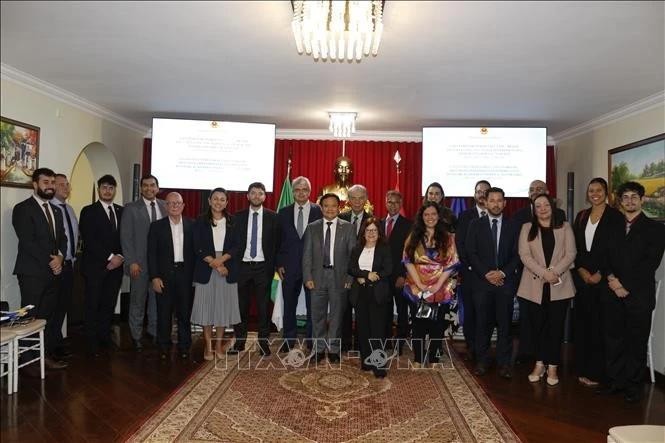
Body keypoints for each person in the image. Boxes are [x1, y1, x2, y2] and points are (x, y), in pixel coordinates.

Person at [597, 181, 665, 403]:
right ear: (620, 201)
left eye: (634, 196)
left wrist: (624, 285)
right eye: (625, 197)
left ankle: (633, 386)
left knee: (636, 342)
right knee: (613, 339)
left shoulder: (656, 229)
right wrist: (612, 280)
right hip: (612, 292)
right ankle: (615, 381)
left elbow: (650, 263)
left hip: (639, 295)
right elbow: (604, 257)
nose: (629, 201)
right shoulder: (611, 226)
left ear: (642, 200)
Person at [517, 193, 576, 386]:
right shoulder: (527, 228)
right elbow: (524, 255)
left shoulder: (565, 227)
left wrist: (555, 272)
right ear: (534, 209)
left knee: (555, 328)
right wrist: (544, 273)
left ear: (552, 207)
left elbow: (571, 253)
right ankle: (539, 363)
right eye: (538, 206)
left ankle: (553, 366)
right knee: (538, 328)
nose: (542, 209)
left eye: (545, 205)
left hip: (559, 285)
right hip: (534, 286)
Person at [12, 167, 68, 371]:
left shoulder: (56, 210)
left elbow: (63, 239)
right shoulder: (22, 209)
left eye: (52, 182)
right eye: (46, 182)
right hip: (32, 273)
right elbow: (28, 241)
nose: (50, 186)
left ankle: (42, 357)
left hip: (53, 273)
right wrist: (51, 261)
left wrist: (61, 257)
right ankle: (27, 361)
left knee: (47, 318)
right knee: (29, 318)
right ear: (35, 184)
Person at [572, 178, 623, 387]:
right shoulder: (581, 216)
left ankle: (600, 373)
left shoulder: (616, 217)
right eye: (591, 190)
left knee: (603, 328)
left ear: (606, 192)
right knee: (584, 326)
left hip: (605, 281)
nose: (595, 193)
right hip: (583, 279)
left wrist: (600, 273)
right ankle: (584, 369)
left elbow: (616, 249)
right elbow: (575, 246)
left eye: (599, 190)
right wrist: (582, 270)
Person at [466, 187, 521, 378]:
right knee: (482, 324)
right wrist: (487, 274)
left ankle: (504, 364)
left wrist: (502, 274)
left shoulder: (513, 225)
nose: (496, 204)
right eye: (492, 200)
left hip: (505, 284)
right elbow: (470, 252)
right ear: (485, 202)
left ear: (504, 203)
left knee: (505, 325)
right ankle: (482, 361)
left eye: (499, 200)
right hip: (482, 283)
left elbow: (517, 255)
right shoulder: (475, 224)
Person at [402, 201, 459, 368]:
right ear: (421, 217)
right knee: (418, 323)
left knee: (437, 324)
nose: (430, 218)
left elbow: (452, 263)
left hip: (440, 286)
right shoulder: (414, 236)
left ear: (439, 216)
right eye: (426, 214)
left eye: (433, 214)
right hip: (416, 286)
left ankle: (434, 358)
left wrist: (437, 285)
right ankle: (419, 358)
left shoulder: (447, 237)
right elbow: (407, 261)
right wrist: (419, 283)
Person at [302, 193, 357, 363]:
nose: (330, 209)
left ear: (339, 207)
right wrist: (308, 276)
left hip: (339, 277)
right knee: (317, 315)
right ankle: (318, 349)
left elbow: (352, 256)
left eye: (334, 205)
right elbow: (307, 255)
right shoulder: (312, 227)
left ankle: (333, 349)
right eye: (326, 206)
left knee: (336, 315)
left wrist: (349, 278)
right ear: (321, 207)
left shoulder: (348, 227)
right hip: (317, 277)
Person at [191, 188, 241, 360]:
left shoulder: (233, 221)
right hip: (207, 267)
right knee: (207, 310)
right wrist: (214, 263)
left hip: (227, 268)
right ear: (209, 201)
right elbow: (197, 246)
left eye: (222, 199)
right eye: (215, 199)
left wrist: (222, 261)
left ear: (227, 202)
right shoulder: (199, 221)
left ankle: (219, 345)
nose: (218, 202)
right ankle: (208, 346)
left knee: (221, 310)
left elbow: (236, 246)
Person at [230, 182, 279, 356]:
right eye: (253, 193)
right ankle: (240, 342)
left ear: (265, 196)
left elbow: (277, 245)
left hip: (263, 268)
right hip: (242, 267)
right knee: (240, 307)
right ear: (247, 196)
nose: (257, 196)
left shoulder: (273, 217)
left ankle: (263, 343)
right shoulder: (237, 217)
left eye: (260, 193)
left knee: (263, 308)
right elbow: (232, 244)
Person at [276, 176, 322, 353]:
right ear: (293, 192)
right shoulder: (283, 212)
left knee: (313, 306)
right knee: (289, 305)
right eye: (297, 189)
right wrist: (278, 263)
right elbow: (277, 241)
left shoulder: (319, 211)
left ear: (309, 192)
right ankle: (289, 339)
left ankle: (312, 340)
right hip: (289, 267)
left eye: (304, 189)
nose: (301, 193)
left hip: (313, 268)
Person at [79, 174, 124, 356]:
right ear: (99, 190)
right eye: (104, 187)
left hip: (116, 268)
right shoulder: (88, 211)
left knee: (108, 304)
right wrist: (110, 257)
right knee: (93, 304)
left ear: (115, 190)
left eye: (111, 188)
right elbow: (89, 239)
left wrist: (120, 256)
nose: (108, 191)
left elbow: (126, 238)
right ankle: (91, 343)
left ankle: (105, 338)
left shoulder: (121, 211)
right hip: (96, 268)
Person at [119, 174, 165, 351]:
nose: (149, 188)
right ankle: (136, 336)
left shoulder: (164, 206)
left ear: (157, 188)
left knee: (156, 301)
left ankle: (153, 332)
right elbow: (126, 237)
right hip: (139, 264)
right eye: (145, 186)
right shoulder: (131, 208)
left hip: (159, 266)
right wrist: (131, 261)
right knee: (138, 301)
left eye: (152, 185)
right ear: (141, 188)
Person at [147, 192, 195, 360]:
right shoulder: (156, 227)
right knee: (164, 314)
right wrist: (154, 277)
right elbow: (151, 254)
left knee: (184, 314)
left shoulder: (191, 225)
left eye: (178, 203)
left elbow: (196, 253)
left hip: (185, 276)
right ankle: (164, 347)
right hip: (164, 277)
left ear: (183, 206)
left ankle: (184, 347)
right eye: (171, 203)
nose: (174, 206)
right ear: (166, 206)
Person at [348, 218, 392, 377]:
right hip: (360, 293)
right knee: (363, 329)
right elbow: (351, 268)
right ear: (363, 232)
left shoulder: (384, 248)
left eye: (374, 230)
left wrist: (371, 277)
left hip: (378, 293)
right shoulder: (357, 248)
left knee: (377, 330)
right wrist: (366, 275)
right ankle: (366, 361)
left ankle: (379, 365)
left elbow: (388, 269)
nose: (371, 233)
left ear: (379, 233)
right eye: (368, 230)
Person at [455, 179, 491, 361]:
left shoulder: (497, 216)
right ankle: (471, 347)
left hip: (492, 276)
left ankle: (484, 348)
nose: (482, 194)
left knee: (487, 314)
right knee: (471, 313)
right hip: (470, 274)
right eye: (479, 191)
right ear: (474, 195)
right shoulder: (464, 216)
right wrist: (472, 267)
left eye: (486, 191)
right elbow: (460, 245)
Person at [380, 190, 413, 354]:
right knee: (384, 310)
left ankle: (400, 341)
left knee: (401, 310)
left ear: (400, 205)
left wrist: (403, 275)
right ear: (385, 203)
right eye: (389, 202)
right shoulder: (378, 224)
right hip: (382, 277)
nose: (393, 205)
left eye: (396, 202)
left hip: (399, 276)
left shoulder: (408, 225)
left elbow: (410, 253)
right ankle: (385, 340)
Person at [339, 184, 372, 351]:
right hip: (344, 273)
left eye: (361, 198)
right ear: (348, 200)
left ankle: (361, 344)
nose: (357, 201)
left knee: (362, 311)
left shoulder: (373, 221)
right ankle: (344, 344)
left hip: (363, 274)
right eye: (353, 198)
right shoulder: (340, 218)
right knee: (344, 310)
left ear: (366, 199)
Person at [51, 173, 79, 360]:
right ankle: (51, 346)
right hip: (55, 266)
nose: (65, 188)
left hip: (69, 264)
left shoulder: (69, 209)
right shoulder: (50, 209)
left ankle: (58, 342)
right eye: (61, 184)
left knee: (63, 306)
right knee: (52, 307)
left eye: (67, 184)